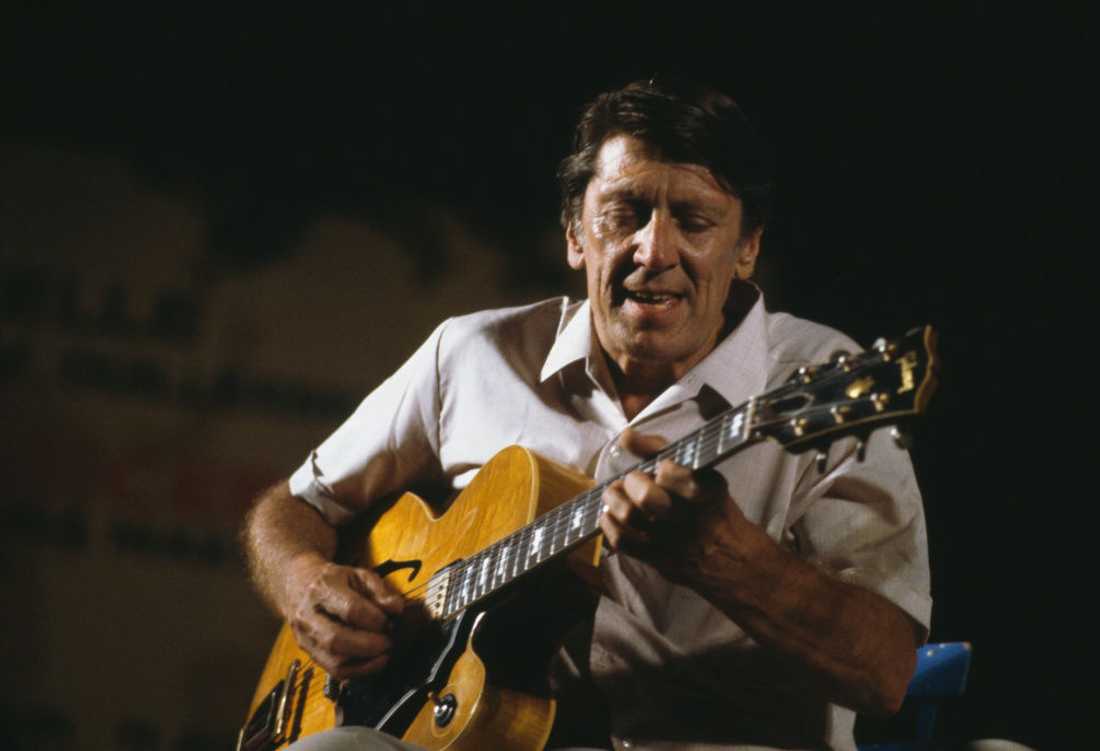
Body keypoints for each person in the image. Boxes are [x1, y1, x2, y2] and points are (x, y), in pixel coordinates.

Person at [242, 78, 931, 751]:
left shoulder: (822, 380)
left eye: (692, 221)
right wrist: (306, 583)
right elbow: (291, 508)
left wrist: (727, 560)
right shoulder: (472, 354)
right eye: (624, 213)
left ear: (746, 246)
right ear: (576, 233)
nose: (654, 252)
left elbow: (886, 670)